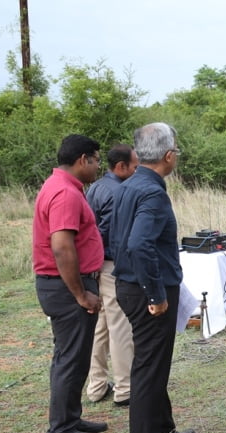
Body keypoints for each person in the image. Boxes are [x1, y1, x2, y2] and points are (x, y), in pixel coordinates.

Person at [111, 123, 195, 433]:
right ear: (168, 155)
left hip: (130, 283)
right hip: (146, 290)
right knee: (148, 370)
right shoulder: (151, 193)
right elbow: (138, 244)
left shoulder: (129, 185)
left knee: (155, 364)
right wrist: (156, 294)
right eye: (176, 149)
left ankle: (163, 428)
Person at [33, 134, 106, 433]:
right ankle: (61, 432)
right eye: (96, 159)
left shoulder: (62, 187)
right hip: (66, 288)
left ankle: (70, 420)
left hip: (64, 285)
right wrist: (80, 294)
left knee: (72, 358)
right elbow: (62, 247)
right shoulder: (64, 193)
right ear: (82, 160)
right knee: (69, 359)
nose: (98, 166)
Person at [85, 144, 138, 407]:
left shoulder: (94, 187)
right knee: (120, 326)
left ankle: (95, 386)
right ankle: (125, 388)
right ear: (121, 167)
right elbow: (117, 236)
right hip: (112, 265)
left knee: (101, 326)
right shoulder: (120, 192)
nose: (137, 171)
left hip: (95, 265)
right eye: (135, 167)